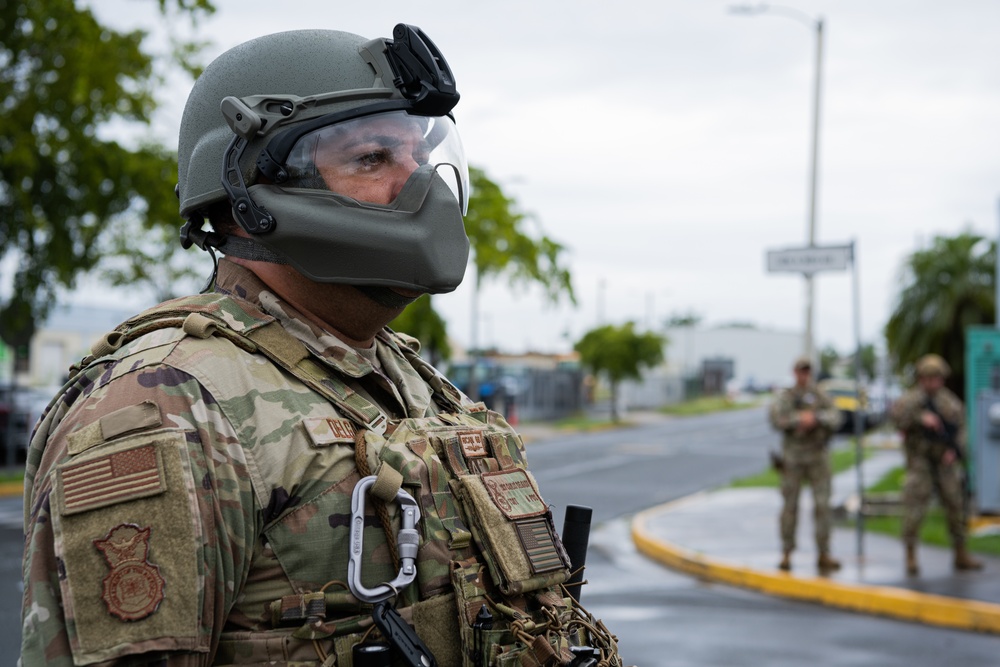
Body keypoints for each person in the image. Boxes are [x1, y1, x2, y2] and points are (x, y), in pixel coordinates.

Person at [20, 25, 624, 666]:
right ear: (249, 191)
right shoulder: (167, 407)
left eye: (421, 157)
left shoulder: (407, 379)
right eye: (372, 157)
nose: (425, 186)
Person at [891, 353, 983, 575]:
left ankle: (961, 553)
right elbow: (896, 418)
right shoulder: (911, 401)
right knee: (914, 507)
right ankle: (910, 555)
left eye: (936, 377)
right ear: (921, 378)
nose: (932, 382)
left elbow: (961, 430)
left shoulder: (949, 402)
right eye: (928, 377)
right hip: (920, 461)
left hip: (944, 462)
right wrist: (919, 418)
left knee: (956, 505)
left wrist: (954, 450)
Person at [768, 357, 843, 573]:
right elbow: (776, 418)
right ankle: (786, 552)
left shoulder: (821, 395)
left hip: (818, 457)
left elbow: (836, 417)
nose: (804, 375)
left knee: (822, 506)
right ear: (794, 372)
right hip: (793, 458)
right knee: (790, 506)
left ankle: (824, 553)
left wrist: (817, 417)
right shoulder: (786, 396)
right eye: (801, 371)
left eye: (807, 371)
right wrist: (800, 419)